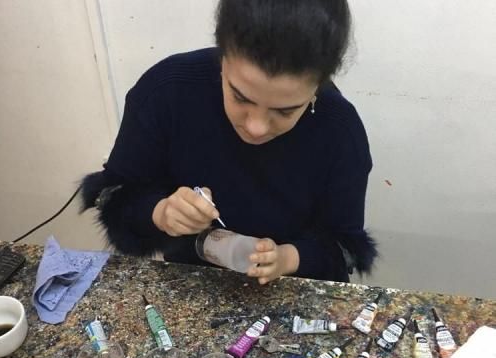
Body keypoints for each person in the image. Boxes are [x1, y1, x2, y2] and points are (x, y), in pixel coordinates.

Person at [80, 0, 377, 284]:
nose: (256, 128)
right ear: (222, 59)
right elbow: (114, 198)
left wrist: (287, 258)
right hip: (192, 284)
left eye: (285, 111)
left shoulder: (340, 131)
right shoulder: (167, 93)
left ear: (316, 89)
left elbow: (345, 248)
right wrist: (160, 212)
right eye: (240, 97)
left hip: (297, 293)